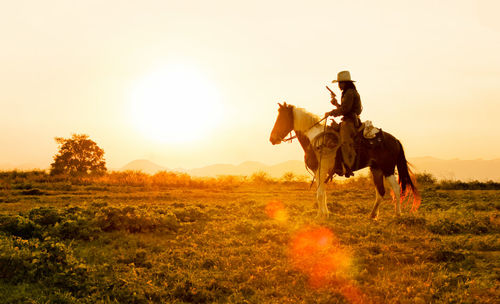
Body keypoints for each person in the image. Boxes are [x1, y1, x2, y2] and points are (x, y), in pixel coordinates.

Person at [325, 71, 362, 177]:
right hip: (347, 120)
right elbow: (345, 108)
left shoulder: (350, 92)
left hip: (350, 122)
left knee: (344, 141)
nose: (339, 85)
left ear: (345, 83)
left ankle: (348, 166)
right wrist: (336, 103)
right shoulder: (348, 92)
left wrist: (331, 112)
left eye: (340, 83)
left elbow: (345, 109)